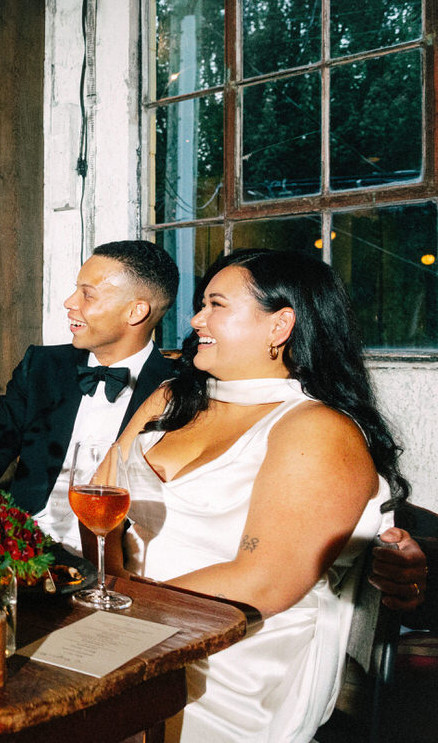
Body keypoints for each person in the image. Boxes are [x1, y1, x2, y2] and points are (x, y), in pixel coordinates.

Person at [111, 249, 410, 742]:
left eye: (216, 305)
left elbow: (264, 581)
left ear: (280, 325)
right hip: (127, 618)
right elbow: (99, 503)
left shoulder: (317, 429)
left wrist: (120, 615)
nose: (196, 319)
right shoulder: (171, 399)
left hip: (230, 662)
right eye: (201, 305)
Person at [0, 239, 179, 554]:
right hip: (20, 550)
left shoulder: (178, 389)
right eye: (76, 290)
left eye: (88, 294)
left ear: (136, 312)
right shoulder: (41, 366)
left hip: (114, 561)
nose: (69, 302)